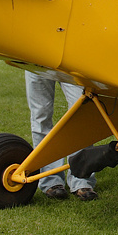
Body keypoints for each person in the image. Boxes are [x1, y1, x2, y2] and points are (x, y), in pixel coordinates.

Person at [25, 71, 97, 200]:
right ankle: (51, 181)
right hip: (36, 59)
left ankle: (81, 179)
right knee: (40, 117)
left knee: (80, 112)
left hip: (71, 59)